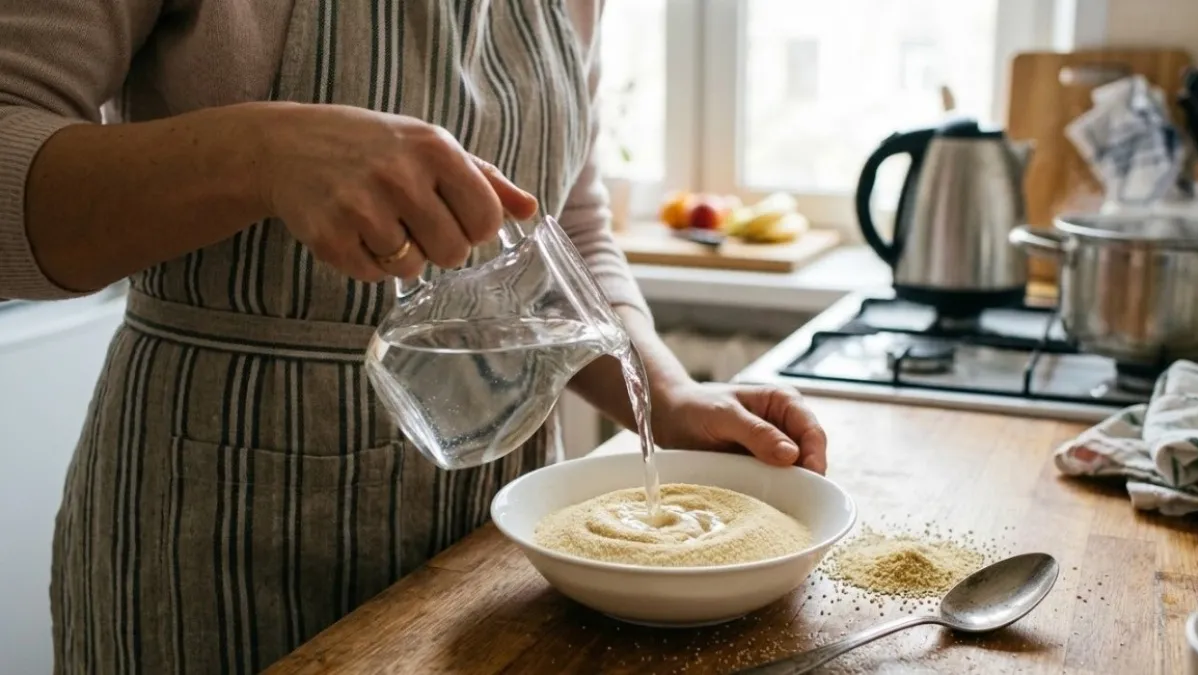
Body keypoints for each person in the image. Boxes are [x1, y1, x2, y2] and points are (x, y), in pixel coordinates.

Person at [0, 1, 828, 672]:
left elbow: (565, 221)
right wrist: (261, 152)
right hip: (208, 537)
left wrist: (670, 394)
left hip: (491, 555)